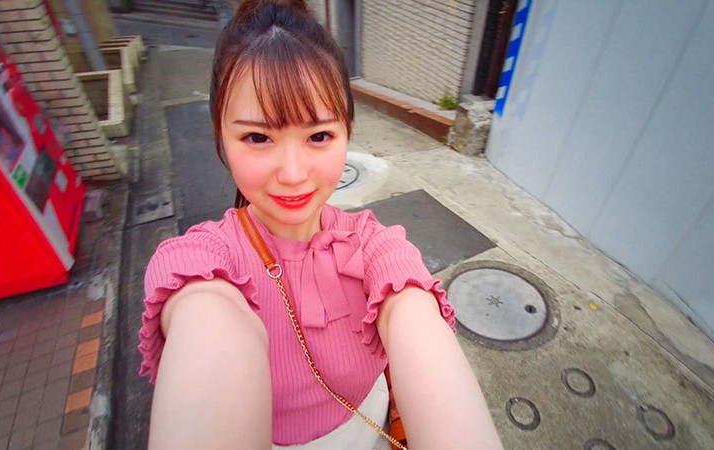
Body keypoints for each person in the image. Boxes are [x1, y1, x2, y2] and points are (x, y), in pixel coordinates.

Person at [138, 0, 504, 448]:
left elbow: (413, 316)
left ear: (347, 132)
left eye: (319, 136)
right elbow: (206, 328)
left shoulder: (374, 248)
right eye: (258, 137)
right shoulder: (200, 264)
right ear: (221, 135)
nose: (293, 174)